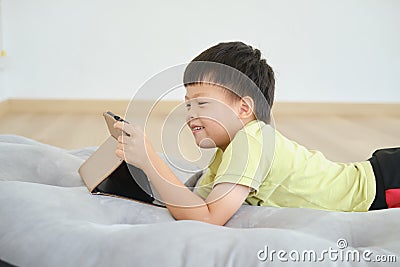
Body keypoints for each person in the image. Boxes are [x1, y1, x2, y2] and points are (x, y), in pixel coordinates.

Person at [113, 41, 400, 226]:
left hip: (382, 189)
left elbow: (208, 218)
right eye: (187, 104)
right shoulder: (227, 151)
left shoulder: (251, 141)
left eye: (201, 102)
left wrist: (152, 160)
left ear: (244, 108)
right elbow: (192, 201)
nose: (190, 114)